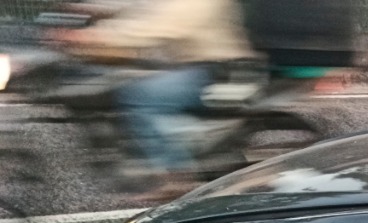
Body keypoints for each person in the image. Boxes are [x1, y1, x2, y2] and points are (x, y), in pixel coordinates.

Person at [57, 0, 256, 201]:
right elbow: (135, 10)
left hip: (214, 68)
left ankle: (177, 178)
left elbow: (166, 24)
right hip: (182, 65)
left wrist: (96, 36)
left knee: (143, 96)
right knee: (111, 82)